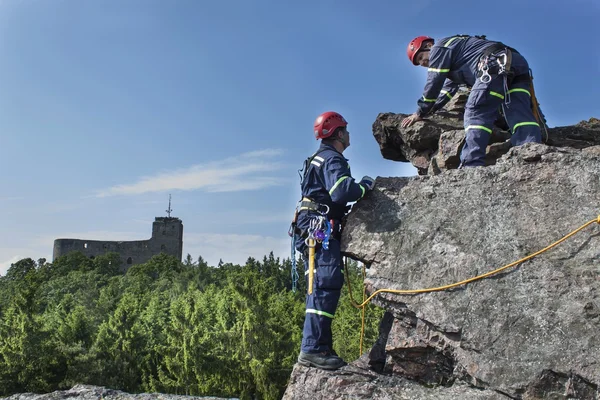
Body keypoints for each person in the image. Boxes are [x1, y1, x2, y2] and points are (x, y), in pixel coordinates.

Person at [293, 111, 375, 370]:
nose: (349, 135)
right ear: (338, 134)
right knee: (325, 283)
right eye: (346, 130)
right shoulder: (331, 159)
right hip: (319, 229)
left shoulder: (317, 159)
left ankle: (321, 346)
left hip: (313, 227)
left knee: (322, 283)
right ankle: (313, 349)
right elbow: (341, 191)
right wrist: (364, 186)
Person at [401, 35, 542, 167]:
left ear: (429, 45)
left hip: (493, 64)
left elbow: (434, 82)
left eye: (421, 57)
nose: (423, 63)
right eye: (419, 63)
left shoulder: (438, 48)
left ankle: (471, 164)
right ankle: (529, 150)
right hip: (514, 62)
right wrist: (428, 111)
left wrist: (420, 111)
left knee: (476, 109)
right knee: (517, 109)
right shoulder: (456, 56)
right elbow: (445, 92)